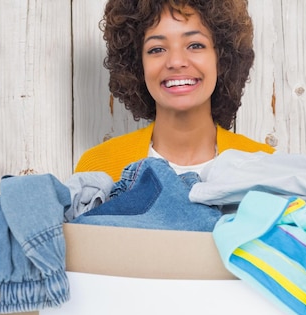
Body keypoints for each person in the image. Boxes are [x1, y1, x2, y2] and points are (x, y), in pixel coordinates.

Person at [75, 0, 275, 181]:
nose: (176, 62)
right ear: (137, 65)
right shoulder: (98, 169)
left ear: (221, 59)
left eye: (195, 45)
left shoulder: (269, 168)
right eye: (157, 49)